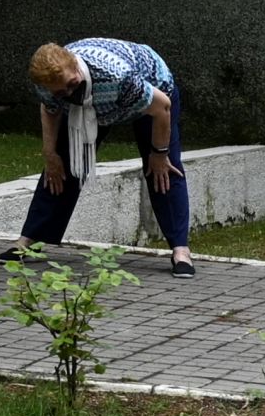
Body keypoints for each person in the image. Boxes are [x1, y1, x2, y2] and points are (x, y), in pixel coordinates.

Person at [11, 39, 194, 276]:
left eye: (71, 85)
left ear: (76, 67)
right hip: (99, 105)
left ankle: (181, 251)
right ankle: (29, 240)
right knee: (61, 166)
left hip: (154, 98)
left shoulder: (117, 76)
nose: (68, 94)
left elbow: (162, 108)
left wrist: (159, 153)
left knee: (163, 170)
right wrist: (50, 153)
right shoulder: (47, 83)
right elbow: (50, 109)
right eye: (60, 92)